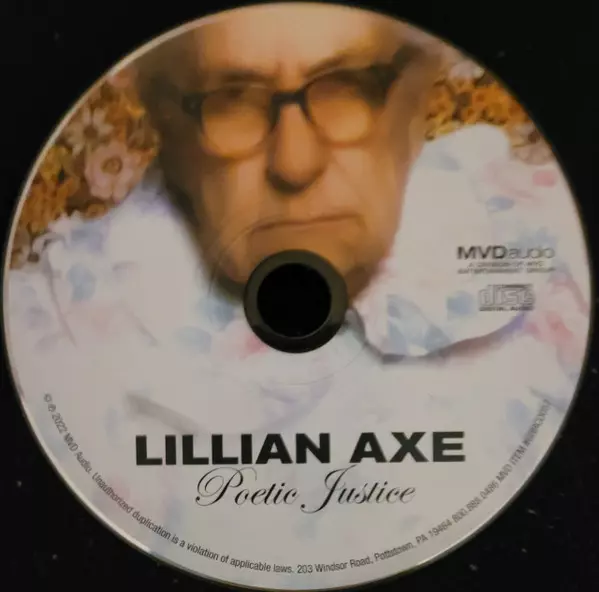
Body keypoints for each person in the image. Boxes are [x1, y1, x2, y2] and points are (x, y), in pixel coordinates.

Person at [5, 5, 590, 588]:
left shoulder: (550, 249)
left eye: (349, 86)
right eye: (232, 98)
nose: (295, 162)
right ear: (169, 128)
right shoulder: (52, 341)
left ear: (417, 100)